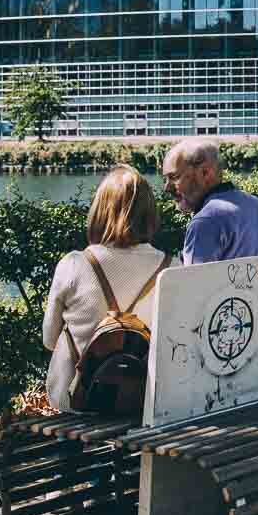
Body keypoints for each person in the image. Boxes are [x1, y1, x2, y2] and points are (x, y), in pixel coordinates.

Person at [42, 165, 172, 413]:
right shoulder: (172, 268)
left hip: (76, 402)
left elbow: (49, 340)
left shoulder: (74, 264)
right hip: (143, 403)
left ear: (99, 210)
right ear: (149, 213)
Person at [163, 137, 258, 264]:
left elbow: (190, 282)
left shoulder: (205, 222)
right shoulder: (256, 203)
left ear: (205, 173)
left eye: (174, 177)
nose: (166, 188)